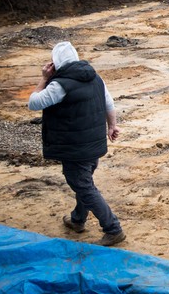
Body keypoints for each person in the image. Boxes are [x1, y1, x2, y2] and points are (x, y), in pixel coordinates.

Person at [28, 41, 126, 246]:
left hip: (75, 147)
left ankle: (113, 229)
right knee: (84, 183)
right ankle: (78, 220)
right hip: (94, 144)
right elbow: (109, 103)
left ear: (56, 63)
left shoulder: (59, 85)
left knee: (83, 186)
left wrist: (44, 79)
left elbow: (33, 103)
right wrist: (112, 126)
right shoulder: (95, 77)